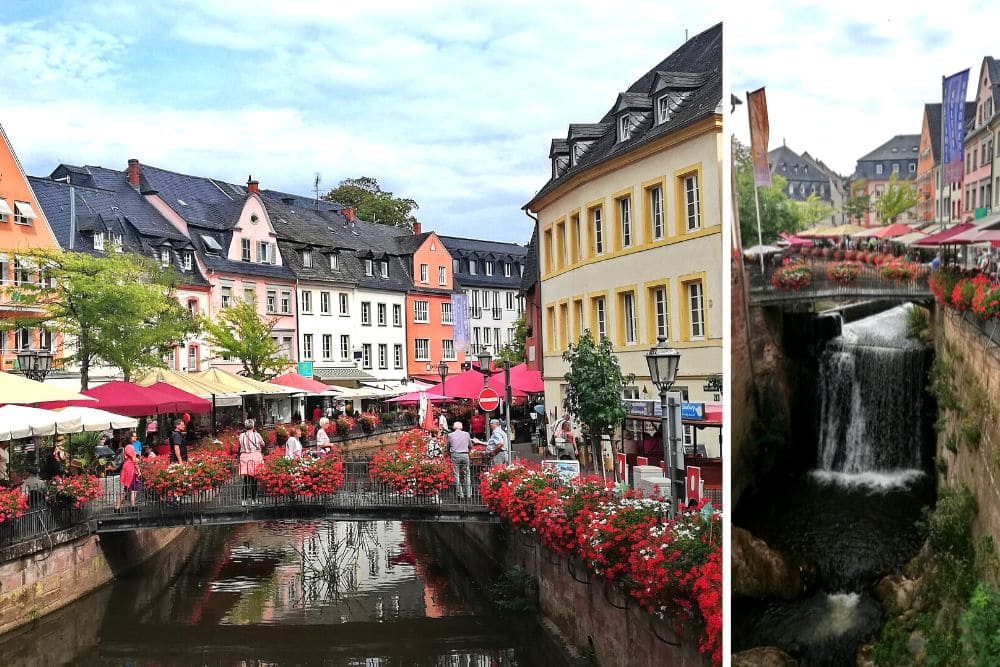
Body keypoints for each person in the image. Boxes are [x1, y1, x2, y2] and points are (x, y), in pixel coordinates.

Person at [238, 419, 265, 504]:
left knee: (246, 480)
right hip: (256, 457)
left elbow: (240, 444)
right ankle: (254, 500)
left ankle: (244, 500)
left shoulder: (241, 435)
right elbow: (263, 444)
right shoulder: (256, 435)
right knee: (254, 480)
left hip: (245, 458)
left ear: (245, 427)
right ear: (253, 426)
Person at [447, 421, 473, 499]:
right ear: (461, 427)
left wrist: (449, 452)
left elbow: (448, 446)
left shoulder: (450, 435)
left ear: (454, 427)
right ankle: (468, 494)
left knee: (456, 474)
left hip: (455, 455)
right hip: (465, 454)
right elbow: (470, 445)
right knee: (467, 474)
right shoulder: (467, 434)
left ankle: (460, 495)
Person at [115, 445, 141, 512]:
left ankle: (117, 507)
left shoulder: (126, 451)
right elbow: (135, 462)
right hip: (131, 471)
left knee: (126, 490)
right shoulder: (130, 450)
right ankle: (132, 506)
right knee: (133, 489)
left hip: (127, 470)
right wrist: (139, 471)